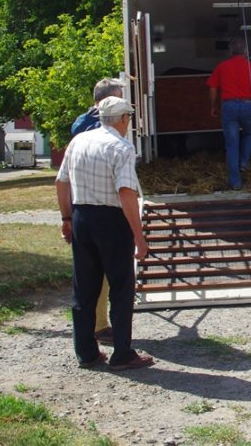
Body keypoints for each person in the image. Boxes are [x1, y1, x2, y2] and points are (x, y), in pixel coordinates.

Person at [56, 96, 154, 370]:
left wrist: (66, 217)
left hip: (81, 216)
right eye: (129, 118)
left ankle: (86, 352)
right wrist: (139, 236)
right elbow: (126, 193)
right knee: (121, 288)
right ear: (123, 120)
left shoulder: (78, 141)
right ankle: (122, 354)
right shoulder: (121, 148)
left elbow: (61, 182)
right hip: (111, 221)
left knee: (84, 287)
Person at [71, 77, 125, 346]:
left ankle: (88, 339)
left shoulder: (81, 124)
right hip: (105, 204)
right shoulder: (103, 126)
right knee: (109, 275)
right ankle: (104, 328)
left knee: (88, 276)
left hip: (81, 204)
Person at [207, 38, 251, 189]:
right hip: (247, 106)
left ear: (230, 52)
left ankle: (235, 183)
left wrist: (213, 105)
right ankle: (243, 162)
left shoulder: (222, 67)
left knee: (232, 144)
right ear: (246, 52)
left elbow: (212, 88)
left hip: (228, 107)